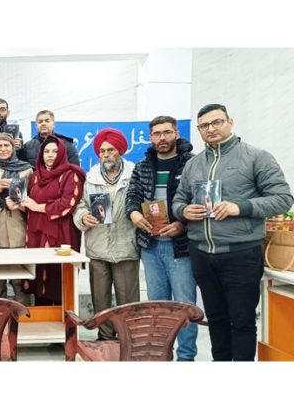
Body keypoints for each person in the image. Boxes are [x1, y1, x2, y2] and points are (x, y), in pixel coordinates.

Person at [173, 103, 294, 361]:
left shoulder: (256, 157)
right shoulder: (194, 164)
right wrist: (184, 211)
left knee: (241, 322)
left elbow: (283, 199)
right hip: (202, 254)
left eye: (216, 122)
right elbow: (177, 201)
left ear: (230, 122)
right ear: (199, 130)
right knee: (216, 319)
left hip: (240, 254)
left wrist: (240, 207)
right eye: (204, 125)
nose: (211, 129)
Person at [125, 115, 198, 361]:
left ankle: (186, 357)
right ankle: (160, 355)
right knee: (156, 305)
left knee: (184, 305)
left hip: (181, 247)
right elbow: (132, 195)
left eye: (167, 132)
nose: (162, 138)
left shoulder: (192, 164)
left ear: (176, 134)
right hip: (151, 245)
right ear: (150, 137)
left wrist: (182, 225)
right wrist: (134, 215)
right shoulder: (143, 166)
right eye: (156, 133)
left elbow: (199, 202)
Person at [73, 128, 139, 339]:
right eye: (102, 151)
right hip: (98, 246)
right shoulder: (90, 177)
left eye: (111, 150)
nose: (106, 155)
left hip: (126, 246)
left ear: (120, 151)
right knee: (100, 299)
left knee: (127, 298)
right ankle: (105, 338)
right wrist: (83, 217)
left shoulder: (134, 174)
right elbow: (81, 205)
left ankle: (128, 338)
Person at [12, 135, 85, 306]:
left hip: (61, 233)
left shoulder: (71, 174)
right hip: (36, 232)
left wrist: (38, 207)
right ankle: (42, 322)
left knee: (58, 278)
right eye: (46, 151)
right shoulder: (36, 176)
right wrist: (20, 206)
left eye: (55, 151)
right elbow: (30, 204)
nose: (50, 155)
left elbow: (68, 204)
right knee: (39, 277)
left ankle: (63, 324)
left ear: (62, 153)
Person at [0, 132, 33, 304]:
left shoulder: (26, 169)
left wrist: (17, 197)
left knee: (20, 277)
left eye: (7, 145)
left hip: (18, 224)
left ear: (13, 147)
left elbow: (32, 198)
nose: (3, 149)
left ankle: (24, 317)